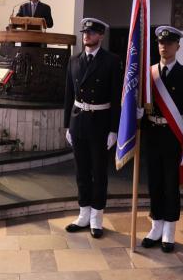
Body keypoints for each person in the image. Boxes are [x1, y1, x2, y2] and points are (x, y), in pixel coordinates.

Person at [63, 18, 121, 238]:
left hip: (100, 123)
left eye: (92, 32)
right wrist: (67, 125)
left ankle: (96, 217)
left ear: (101, 36)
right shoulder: (74, 60)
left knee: (99, 172)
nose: (86, 35)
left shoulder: (112, 61)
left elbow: (116, 97)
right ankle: (83, 214)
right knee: (81, 171)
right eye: (85, 32)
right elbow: (68, 95)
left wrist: (114, 129)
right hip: (78, 122)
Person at [141, 26, 183, 253]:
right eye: (161, 43)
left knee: (171, 185)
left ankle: (169, 230)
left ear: (178, 47)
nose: (164, 46)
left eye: (170, 43)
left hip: (174, 137)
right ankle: (156, 226)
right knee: (154, 182)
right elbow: (142, 103)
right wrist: (138, 114)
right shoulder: (149, 73)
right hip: (152, 134)